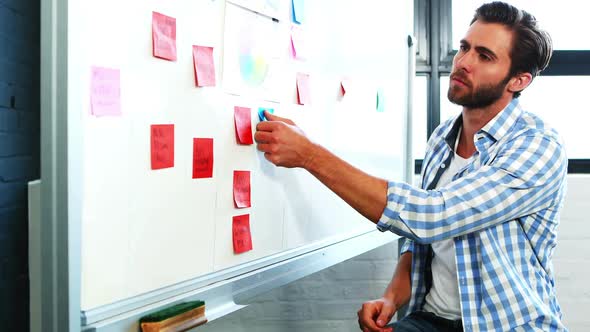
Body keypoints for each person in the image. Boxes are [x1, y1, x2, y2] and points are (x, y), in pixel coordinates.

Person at [254, 1, 566, 331]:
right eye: (464, 47)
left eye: (484, 56)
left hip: (507, 325)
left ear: (518, 80)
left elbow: (434, 216)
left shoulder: (537, 147)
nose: (462, 63)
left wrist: (310, 155)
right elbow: (418, 240)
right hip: (431, 319)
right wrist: (391, 298)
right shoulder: (443, 137)